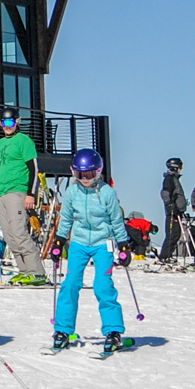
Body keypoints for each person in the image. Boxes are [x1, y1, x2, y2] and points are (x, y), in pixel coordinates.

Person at [51, 148, 129, 354]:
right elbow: (66, 217)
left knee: (103, 286)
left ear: (98, 171)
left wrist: (123, 244)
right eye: (80, 174)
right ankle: (62, 330)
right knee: (70, 284)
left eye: (89, 174)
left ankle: (113, 331)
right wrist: (59, 240)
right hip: (79, 242)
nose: (85, 179)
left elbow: (116, 219)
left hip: (103, 242)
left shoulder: (106, 192)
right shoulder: (72, 192)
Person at [0, 107, 45, 284]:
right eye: (4, 123)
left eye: (11, 122)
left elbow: (34, 169)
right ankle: (25, 271)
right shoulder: (1, 143)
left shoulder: (24, 141)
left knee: (19, 233)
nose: (7, 126)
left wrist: (30, 194)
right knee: (9, 236)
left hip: (18, 192)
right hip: (2, 193)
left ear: (17, 122)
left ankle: (38, 272)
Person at [157, 158, 187, 262]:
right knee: (172, 235)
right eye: (180, 167)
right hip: (172, 212)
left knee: (176, 234)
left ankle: (167, 256)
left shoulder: (174, 179)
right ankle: (164, 256)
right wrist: (170, 205)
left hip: (177, 211)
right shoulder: (170, 179)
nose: (181, 169)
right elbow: (165, 193)